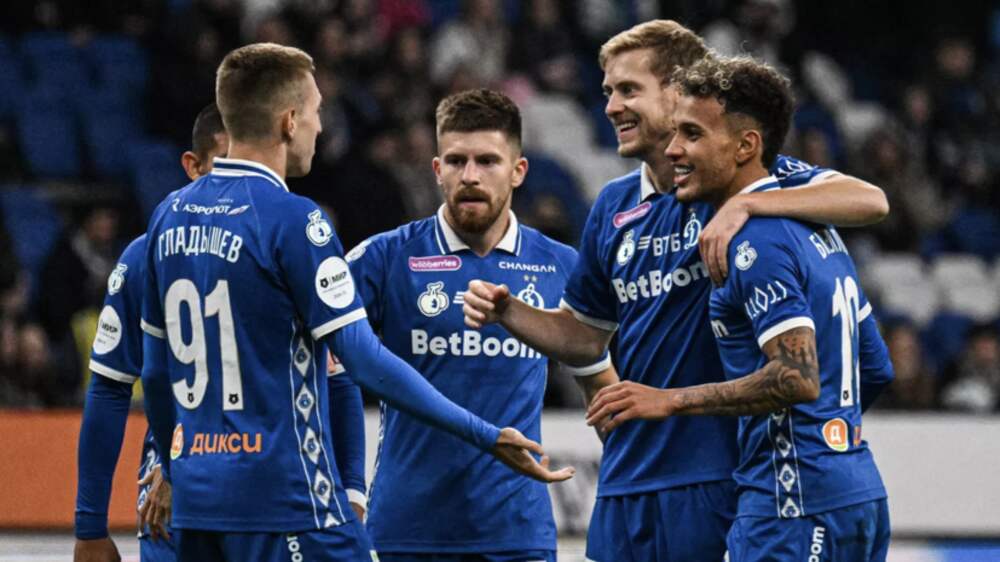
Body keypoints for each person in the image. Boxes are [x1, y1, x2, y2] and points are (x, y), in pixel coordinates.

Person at [463, 20, 890, 562]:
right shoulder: (614, 205)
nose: (611, 107)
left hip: (720, 477)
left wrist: (749, 204)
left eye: (628, 89)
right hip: (628, 476)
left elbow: (871, 201)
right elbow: (584, 336)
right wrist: (511, 313)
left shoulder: (737, 184)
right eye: (607, 91)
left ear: (677, 89)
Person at [139, 43, 570, 562]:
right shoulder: (301, 221)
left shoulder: (167, 215)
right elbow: (361, 361)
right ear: (290, 121)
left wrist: (169, 462)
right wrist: (485, 435)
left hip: (200, 495)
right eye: (317, 112)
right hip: (288, 497)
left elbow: (156, 372)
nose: (321, 127)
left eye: (486, 161)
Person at [588, 54, 893, 561]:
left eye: (692, 134)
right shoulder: (818, 229)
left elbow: (797, 378)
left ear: (746, 146)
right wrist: (827, 439)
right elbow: (876, 367)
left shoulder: (754, 241)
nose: (673, 148)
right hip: (857, 489)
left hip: (789, 502)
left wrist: (670, 400)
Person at [349, 89, 617, 562]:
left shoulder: (561, 264)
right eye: (456, 161)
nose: (470, 176)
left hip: (517, 534)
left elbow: (599, 386)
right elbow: (319, 361)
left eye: (488, 161)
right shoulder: (383, 258)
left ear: (518, 171)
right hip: (408, 532)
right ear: (437, 170)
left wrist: (635, 484)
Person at [74, 103, 230, 562]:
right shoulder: (144, 257)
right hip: (172, 483)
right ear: (193, 166)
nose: (236, 184)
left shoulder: (286, 245)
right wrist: (90, 527)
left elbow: (333, 379)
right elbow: (109, 387)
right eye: (224, 166)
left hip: (265, 481)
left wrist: (351, 491)